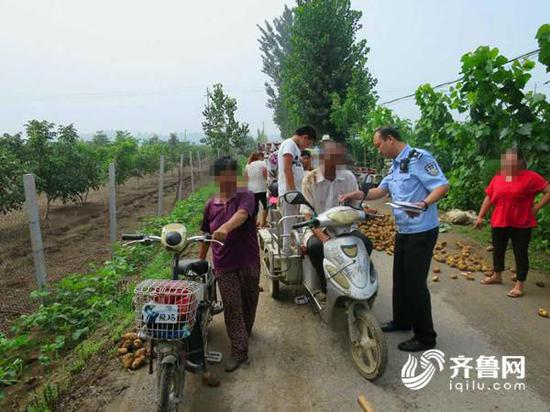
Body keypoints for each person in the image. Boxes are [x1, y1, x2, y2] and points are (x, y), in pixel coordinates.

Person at [340, 126, 449, 352]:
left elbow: (441, 185)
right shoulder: (397, 165)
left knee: (415, 283)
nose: (378, 151)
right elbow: (380, 191)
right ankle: (402, 320)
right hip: (404, 230)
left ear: (390, 139)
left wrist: (424, 204)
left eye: (379, 145)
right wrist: (357, 195)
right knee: (400, 278)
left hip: (422, 230)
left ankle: (425, 337)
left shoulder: (419, 158)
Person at [199, 157, 260, 372]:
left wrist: (225, 227)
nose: (229, 178)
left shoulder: (246, 196)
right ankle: (239, 350)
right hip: (223, 263)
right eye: (224, 174)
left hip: (248, 260)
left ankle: (245, 329)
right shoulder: (210, 205)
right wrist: (200, 261)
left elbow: (242, 215)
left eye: (232, 173)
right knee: (232, 306)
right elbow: (206, 235)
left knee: (249, 300)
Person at [301, 139, 373, 295]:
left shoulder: (348, 177)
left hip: (345, 226)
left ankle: (356, 278)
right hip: (318, 227)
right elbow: (307, 213)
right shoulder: (309, 180)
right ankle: (325, 285)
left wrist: (361, 213)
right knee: (316, 247)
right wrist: (323, 238)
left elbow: (355, 205)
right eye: (330, 157)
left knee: (365, 243)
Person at [476, 148, 549, 297]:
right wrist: (480, 216)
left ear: (520, 161)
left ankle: (519, 284)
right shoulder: (499, 177)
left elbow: (548, 190)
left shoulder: (531, 177)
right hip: (499, 220)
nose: (507, 163)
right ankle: (497, 275)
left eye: (511, 160)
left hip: (521, 222)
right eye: (506, 159)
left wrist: (537, 207)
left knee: (520, 253)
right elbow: (489, 197)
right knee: (498, 249)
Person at [278, 126, 317, 254]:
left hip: (295, 194)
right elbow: (287, 168)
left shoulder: (295, 148)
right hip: (290, 194)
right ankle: (287, 253)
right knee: (289, 224)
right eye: (308, 142)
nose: (307, 146)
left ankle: (294, 250)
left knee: (295, 223)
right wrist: (292, 191)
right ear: (305, 137)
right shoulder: (289, 145)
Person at [244, 151, 268, 227]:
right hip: (262, 188)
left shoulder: (248, 165)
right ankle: (263, 222)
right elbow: (265, 175)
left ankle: (254, 223)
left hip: (251, 189)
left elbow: (246, 178)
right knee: (266, 205)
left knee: (255, 207)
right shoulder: (263, 163)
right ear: (258, 157)